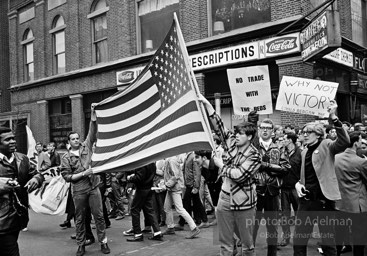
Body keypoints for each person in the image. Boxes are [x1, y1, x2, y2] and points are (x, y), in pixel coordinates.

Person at [200, 95, 261, 256]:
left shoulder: (254, 155)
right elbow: (219, 126)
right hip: (224, 198)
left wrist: (221, 166)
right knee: (225, 243)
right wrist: (208, 106)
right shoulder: (231, 142)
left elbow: (239, 175)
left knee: (247, 243)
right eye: (235, 133)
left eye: (240, 134)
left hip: (244, 202)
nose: (235, 136)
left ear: (249, 137)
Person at [293, 100, 349, 256]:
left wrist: (333, 117)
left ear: (318, 134)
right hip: (306, 202)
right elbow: (305, 175)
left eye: (308, 132)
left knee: (328, 242)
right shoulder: (304, 151)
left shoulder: (326, 144)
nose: (304, 135)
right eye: (303, 132)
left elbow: (344, 141)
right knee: (299, 240)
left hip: (323, 200)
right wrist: (299, 185)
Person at [60, 105, 110, 256]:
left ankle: (104, 242)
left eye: (77, 138)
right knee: (80, 218)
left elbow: (92, 133)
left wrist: (93, 117)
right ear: (68, 142)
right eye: (73, 139)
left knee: (99, 216)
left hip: (94, 187)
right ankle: (81, 245)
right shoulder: (66, 158)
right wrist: (83, 173)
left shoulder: (86, 147)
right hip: (79, 190)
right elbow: (67, 177)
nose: (76, 140)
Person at [0, 126, 44, 256]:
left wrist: (36, 179)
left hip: (17, 218)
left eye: (13, 138)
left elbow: (37, 174)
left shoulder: (22, 159)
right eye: (7, 140)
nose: (13, 141)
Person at [252, 118, 290, 256]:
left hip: (273, 191)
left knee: (272, 227)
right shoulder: (253, 146)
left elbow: (286, 168)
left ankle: (272, 254)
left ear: (272, 132)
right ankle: (249, 252)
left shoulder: (279, 148)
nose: (265, 130)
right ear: (259, 130)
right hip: (256, 190)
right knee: (252, 226)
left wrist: (266, 166)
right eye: (262, 128)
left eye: (268, 128)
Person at [334, 131, 367, 256]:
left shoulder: (336, 158)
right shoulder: (360, 162)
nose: (361, 142)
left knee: (339, 234)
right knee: (359, 238)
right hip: (357, 205)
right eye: (360, 140)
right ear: (355, 143)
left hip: (340, 203)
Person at [162, 155, 201, 239]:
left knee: (179, 209)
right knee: (167, 207)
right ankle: (170, 227)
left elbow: (175, 176)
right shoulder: (171, 159)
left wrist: (166, 184)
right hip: (172, 188)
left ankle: (194, 228)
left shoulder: (171, 160)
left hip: (174, 188)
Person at [122, 163, 163, 242]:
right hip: (148, 188)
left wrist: (130, 178)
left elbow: (139, 178)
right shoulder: (152, 162)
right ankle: (157, 232)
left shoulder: (142, 164)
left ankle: (138, 234)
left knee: (134, 209)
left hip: (141, 189)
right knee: (150, 210)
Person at [279, 132, 301, 247]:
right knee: (284, 215)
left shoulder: (300, 153)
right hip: (284, 188)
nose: (283, 141)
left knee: (299, 214)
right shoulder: (282, 153)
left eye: (285, 139)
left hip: (296, 188)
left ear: (290, 140)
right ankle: (285, 237)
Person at [178, 151, 209, 229]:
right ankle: (204, 220)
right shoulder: (188, 156)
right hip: (190, 183)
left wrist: (196, 186)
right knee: (195, 202)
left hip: (192, 184)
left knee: (186, 203)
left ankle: (182, 222)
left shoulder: (192, 157)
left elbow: (197, 172)